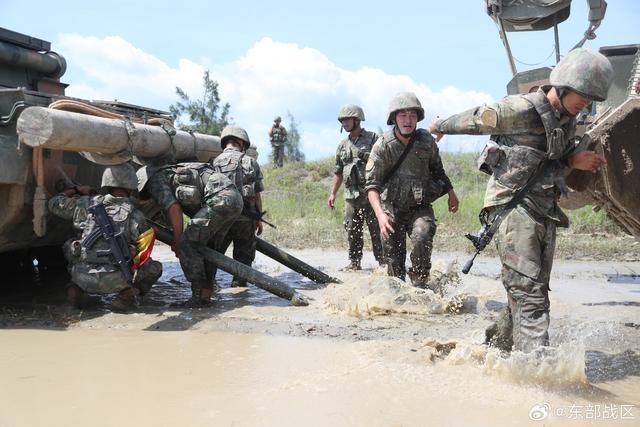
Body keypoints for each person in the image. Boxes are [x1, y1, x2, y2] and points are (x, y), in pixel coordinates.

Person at [429, 48, 613, 353]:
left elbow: (551, 159)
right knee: (530, 295)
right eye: (582, 95)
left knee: (527, 293)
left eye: (591, 99)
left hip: (545, 211)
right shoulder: (522, 109)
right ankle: (536, 371)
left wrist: (574, 160)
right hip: (513, 210)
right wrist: (440, 126)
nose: (586, 103)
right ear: (564, 85)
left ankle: (490, 351)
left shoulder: (567, 120)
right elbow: (478, 119)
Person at [365, 92, 459, 288]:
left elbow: (438, 170)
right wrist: (381, 216)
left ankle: (420, 281)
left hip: (419, 206)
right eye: (403, 115)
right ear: (393, 119)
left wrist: (451, 192)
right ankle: (397, 291)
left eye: (412, 115)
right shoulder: (383, 146)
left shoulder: (426, 141)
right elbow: (372, 186)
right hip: (390, 208)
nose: (408, 120)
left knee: (423, 233)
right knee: (394, 273)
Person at [48, 163, 162, 311]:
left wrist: (76, 190)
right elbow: (142, 254)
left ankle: (72, 298)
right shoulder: (136, 215)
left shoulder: (85, 204)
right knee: (154, 267)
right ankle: (125, 298)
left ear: (106, 183)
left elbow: (54, 203)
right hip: (118, 281)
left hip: (83, 278)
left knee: (71, 246)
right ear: (131, 186)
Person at [137, 162, 243, 305]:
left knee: (187, 244)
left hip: (219, 200)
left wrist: (177, 240)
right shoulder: (171, 173)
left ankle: (198, 295)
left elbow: (174, 209)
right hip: (234, 199)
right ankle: (206, 294)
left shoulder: (155, 181)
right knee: (209, 247)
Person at [328, 104, 383, 270]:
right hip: (351, 196)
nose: (344, 123)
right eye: (342, 121)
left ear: (357, 120)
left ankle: (383, 262)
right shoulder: (342, 145)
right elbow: (338, 172)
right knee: (352, 229)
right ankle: (354, 263)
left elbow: (383, 163)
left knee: (376, 229)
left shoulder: (374, 139)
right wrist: (332, 194)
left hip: (371, 194)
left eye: (347, 120)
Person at [211, 125, 264, 287]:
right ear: (241, 142)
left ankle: (209, 288)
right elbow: (256, 195)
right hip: (245, 220)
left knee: (214, 256)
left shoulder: (215, 162)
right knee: (243, 260)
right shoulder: (250, 162)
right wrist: (258, 219)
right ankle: (239, 289)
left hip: (221, 219)